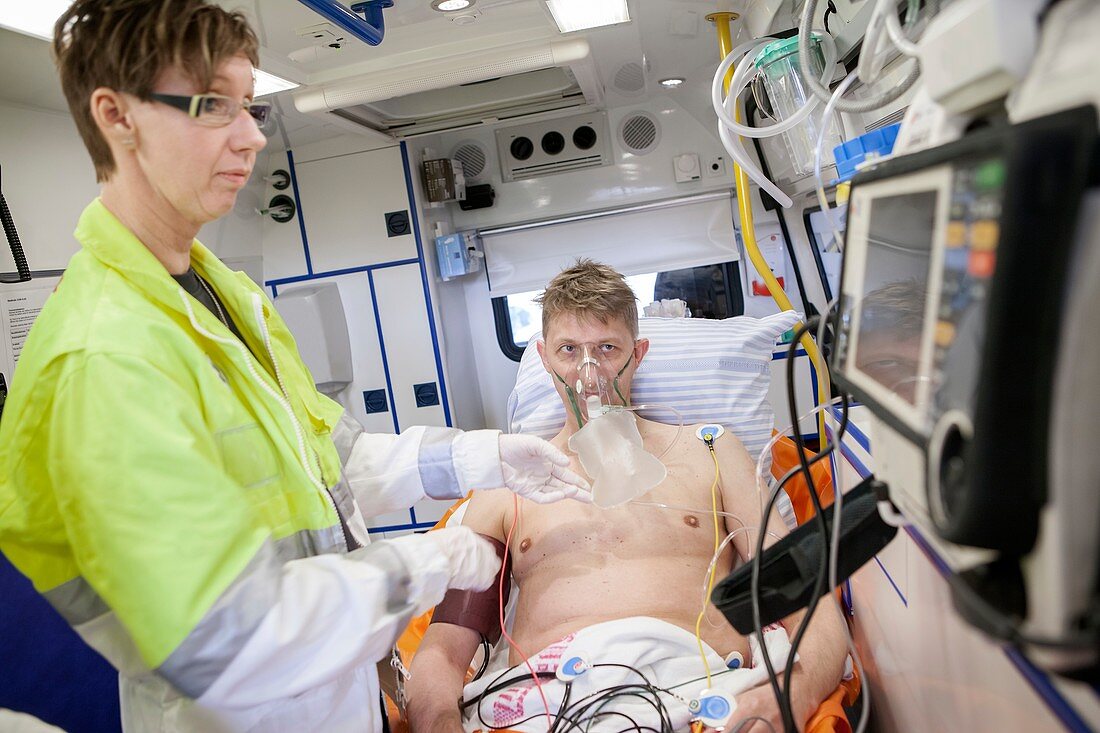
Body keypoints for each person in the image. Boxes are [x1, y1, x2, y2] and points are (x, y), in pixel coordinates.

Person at [0, 2, 588, 731]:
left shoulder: (220, 294)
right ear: (116, 115)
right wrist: (421, 565)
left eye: (251, 108)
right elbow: (227, 637)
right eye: (215, 105)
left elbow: (328, 466)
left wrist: (488, 454)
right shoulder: (104, 354)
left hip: (336, 700)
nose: (250, 138)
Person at [405, 260, 848, 732]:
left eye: (607, 348)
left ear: (637, 354)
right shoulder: (506, 483)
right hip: (552, 707)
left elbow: (810, 601)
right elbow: (445, 648)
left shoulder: (712, 450)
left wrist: (790, 700)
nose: (589, 373)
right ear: (543, 357)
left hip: (706, 697)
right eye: (569, 350)